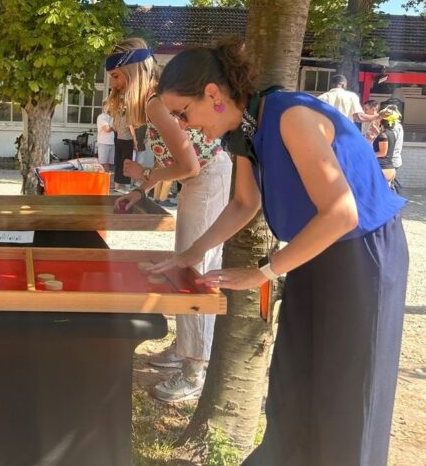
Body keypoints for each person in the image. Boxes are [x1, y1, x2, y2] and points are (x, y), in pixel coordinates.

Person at [153, 41, 408, 466]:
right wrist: (189, 255)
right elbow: (242, 204)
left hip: (363, 256)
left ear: (213, 95)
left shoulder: (290, 115)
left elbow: (342, 214)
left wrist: (264, 272)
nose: (184, 125)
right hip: (312, 250)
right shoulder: (244, 132)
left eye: (183, 113)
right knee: (295, 382)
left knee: (348, 395)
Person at [110, 38, 232, 403]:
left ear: (133, 72)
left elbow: (188, 165)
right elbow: (178, 166)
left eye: (117, 75)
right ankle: (184, 349)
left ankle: (196, 368)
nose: (114, 84)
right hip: (200, 181)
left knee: (195, 270)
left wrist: (147, 172)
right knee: (188, 266)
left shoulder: (156, 105)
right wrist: (140, 189)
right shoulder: (155, 103)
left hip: (208, 181)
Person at [373, 116, 398, 183]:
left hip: (382, 168)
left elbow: (382, 153)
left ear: (381, 122)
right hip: (389, 167)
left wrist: (369, 155)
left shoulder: (383, 135)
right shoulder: (392, 133)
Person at [96, 102, 115, 172]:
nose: (111, 107)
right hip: (103, 143)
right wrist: (117, 127)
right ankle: (102, 181)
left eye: (112, 105)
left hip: (111, 143)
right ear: (104, 107)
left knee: (108, 164)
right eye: (109, 105)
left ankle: (106, 181)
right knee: (103, 164)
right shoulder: (101, 117)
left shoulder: (112, 117)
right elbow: (107, 129)